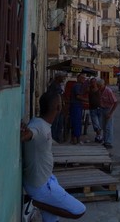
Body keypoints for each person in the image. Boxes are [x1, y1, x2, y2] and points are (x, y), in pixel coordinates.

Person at [21, 90, 86, 221]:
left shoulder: (42, 123)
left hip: (47, 179)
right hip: (40, 187)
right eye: (61, 102)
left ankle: (40, 204)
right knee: (78, 211)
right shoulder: (38, 126)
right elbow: (31, 134)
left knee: (52, 220)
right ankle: (33, 203)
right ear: (58, 107)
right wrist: (26, 134)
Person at [98, 78, 118, 149]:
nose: (99, 87)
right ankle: (105, 141)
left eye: (100, 86)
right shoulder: (99, 91)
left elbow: (115, 102)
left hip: (108, 109)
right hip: (102, 109)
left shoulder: (108, 91)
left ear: (104, 85)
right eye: (98, 86)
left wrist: (110, 113)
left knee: (108, 127)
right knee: (103, 126)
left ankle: (109, 142)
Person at [47, 73, 66, 143]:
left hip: (60, 107)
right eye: (62, 77)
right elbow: (54, 96)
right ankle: (54, 138)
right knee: (55, 123)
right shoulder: (53, 85)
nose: (63, 78)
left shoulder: (58, 85)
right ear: (58, 77)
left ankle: (58, 138)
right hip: (56, 107)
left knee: (59, 124)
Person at [69, 73, 86, 144]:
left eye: (84, 78)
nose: (84, 80)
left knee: (76, 122)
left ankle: (74, 138)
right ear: (78, 78)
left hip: (77, 105)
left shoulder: (80, 86)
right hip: (76, 105)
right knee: (76, 122)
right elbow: (78, 96)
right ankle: (76, 139)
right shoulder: (77, 86)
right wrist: (87, 100)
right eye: (82, 78)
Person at [87, 77, 103, 143]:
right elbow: (83, 92)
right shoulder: (89, 89)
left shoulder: (100, 89)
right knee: (96, 124)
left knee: (99, 124)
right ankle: (99, 136)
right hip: (93, 109)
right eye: (92, 82)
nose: (93, 83)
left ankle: (98, 136)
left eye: (94, 82)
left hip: (100, 108)